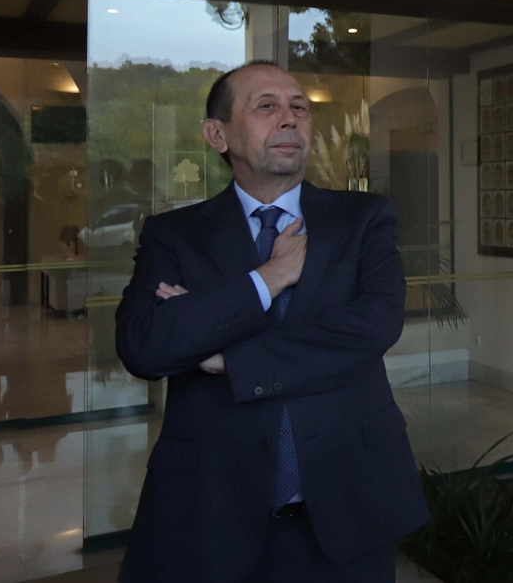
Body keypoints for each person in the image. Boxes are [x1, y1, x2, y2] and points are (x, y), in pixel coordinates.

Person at [114, 60, 427, 583]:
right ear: (218, 134)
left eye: (299, 107)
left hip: (345, 506)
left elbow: (374, 327)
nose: (290, 119)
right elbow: (145, 345)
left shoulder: (362, 220)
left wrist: (229, 356)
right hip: (211, 510)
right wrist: (268, 278)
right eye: (267, 106)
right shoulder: (175, 235)